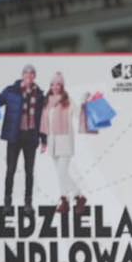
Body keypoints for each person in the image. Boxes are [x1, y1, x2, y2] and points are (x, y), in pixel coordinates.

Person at [0, 63, 47, 207]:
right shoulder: (11, 91)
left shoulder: (39, 95)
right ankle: (7, 201)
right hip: (14, 137)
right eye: (26, 73)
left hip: (31, 137)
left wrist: (44, 140)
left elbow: (42, 119)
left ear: (34, 76)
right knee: (10, 169)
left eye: (31, 73)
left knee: (29, 172)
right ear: (22, 75)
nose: (29, 75)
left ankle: (28, 202)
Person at [39, 72, 87, 214]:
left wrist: (85, 102)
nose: (55, 87)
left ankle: (71, 198)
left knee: (62, 173)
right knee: (61, 174)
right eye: (52, 84)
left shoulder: (68, 101)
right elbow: (44, 122)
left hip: (65, 141)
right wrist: (43, 142)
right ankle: (74, 198)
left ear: (62, 86)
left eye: (58, 84)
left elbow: (79, 114)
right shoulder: (47, 102)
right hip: (52, 142)